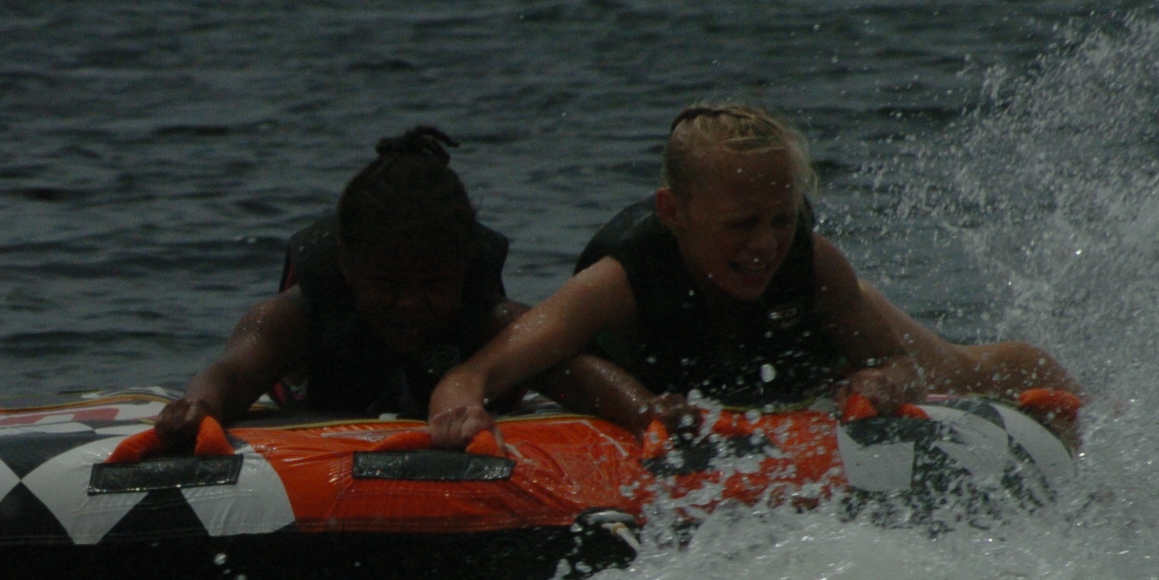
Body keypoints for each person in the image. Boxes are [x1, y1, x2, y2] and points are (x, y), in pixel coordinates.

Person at [427, 103, 1079, 449]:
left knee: (959, 370)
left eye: (780, 219)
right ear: (673, 213)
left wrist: (883, 382)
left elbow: (900, 365)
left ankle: (1074, 404)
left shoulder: (814, 264)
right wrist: (460, 415)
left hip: (822, 330)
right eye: (740, 224)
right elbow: (474, 375)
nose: (765, 245)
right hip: (704, 371)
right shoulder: (618, 283)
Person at [154, 127, 643, 445]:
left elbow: (571, 370)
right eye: (388, 284)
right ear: (348, 268)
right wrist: (198, 408)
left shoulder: (495, 321)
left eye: (433, 284)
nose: (409, 303)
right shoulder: (292, 319)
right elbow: (230, 372)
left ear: (462, 270)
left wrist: (646, 411)